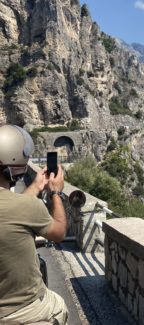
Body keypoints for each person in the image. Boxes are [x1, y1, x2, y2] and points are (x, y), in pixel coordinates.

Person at [0, 124, 68, 324]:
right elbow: (59, 232)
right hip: (18, 313)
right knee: (59, 305)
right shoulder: (27, 207)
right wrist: (55, 192)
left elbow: (13, 208)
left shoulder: (20, 206)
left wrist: (36, 186)